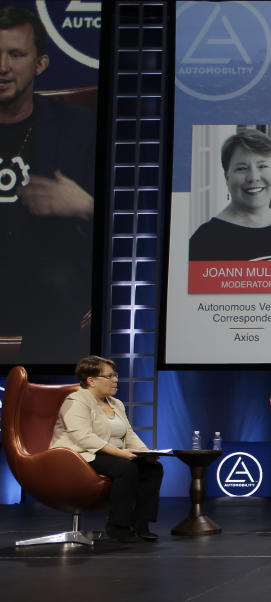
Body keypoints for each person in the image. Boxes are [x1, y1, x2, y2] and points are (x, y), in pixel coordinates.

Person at [0, 6, 94, 362]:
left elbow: (129, 225)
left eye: (16, 54)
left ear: (39, 64)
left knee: (59, 277)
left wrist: (83, 205)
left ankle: (47, 393)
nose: (2, 66)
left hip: (47, 275)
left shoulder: (77, 126)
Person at [48, 356, 163, 543]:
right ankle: (118, 525)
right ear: (91, 380)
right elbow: (83, 437)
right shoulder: (76, 400)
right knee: (126, 468)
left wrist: (145, 452)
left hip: (109, 454)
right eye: (109, 376)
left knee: (152, 468)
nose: (115, 380)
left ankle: (141, 524)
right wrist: (120, 453)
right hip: (79, 456)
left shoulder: (116, 403)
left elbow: (128, 434)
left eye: (115, 375)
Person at [189, 128, 271, 261]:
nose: (253, 177)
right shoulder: (206, 240)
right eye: (241, 168)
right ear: (227, 176)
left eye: (262, 166)